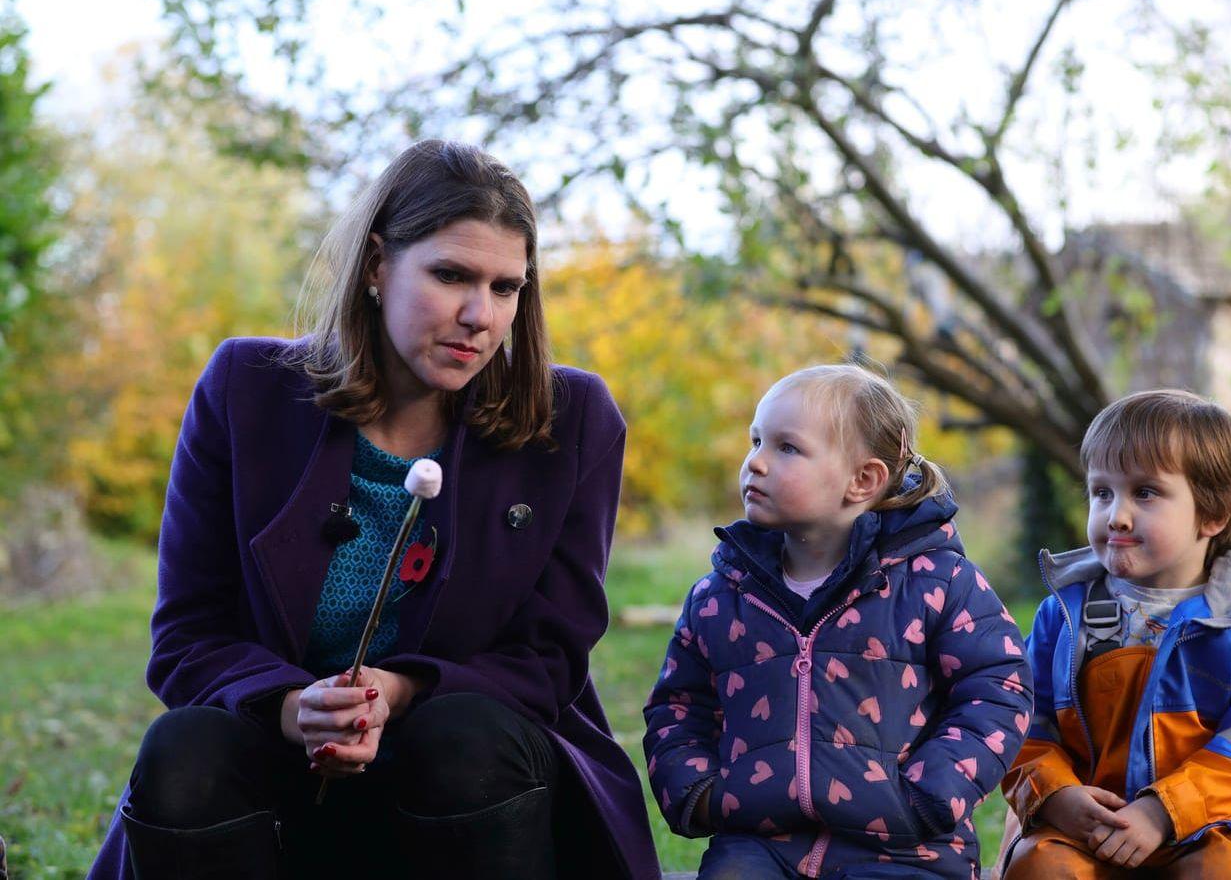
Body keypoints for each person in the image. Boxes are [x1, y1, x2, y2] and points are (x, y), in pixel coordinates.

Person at [88, 140, 659, 880]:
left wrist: (403, 689)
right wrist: (293, 706)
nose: (478, 315)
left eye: (506, 287)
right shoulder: (246, 389)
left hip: (469, 784)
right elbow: (188, 638)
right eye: (450, 274)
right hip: (280, 770)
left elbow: (549, 658)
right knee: (185, 749)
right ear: (376, 265)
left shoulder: (571, 420)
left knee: (465, 736)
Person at [644, 365, 1034, 879]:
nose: (754, 463)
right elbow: (679, 704)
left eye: (786, 448)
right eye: (755, 440)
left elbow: (998, 687)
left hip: (905, 849)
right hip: (760, 843)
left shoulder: (937, 581)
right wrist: (696, 791)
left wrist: (928, 797)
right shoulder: (721, 595)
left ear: (863, 480)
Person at [995, 389, 1231, 879]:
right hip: (1093, 830)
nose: (1116, 515)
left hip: (1224, 825)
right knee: (1042, 866)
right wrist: (1057, 795)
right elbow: (1022, 724)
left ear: (1213, 513)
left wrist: (1162, 812)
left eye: (1145, 492)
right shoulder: (1061, 617)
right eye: (1102, 492)